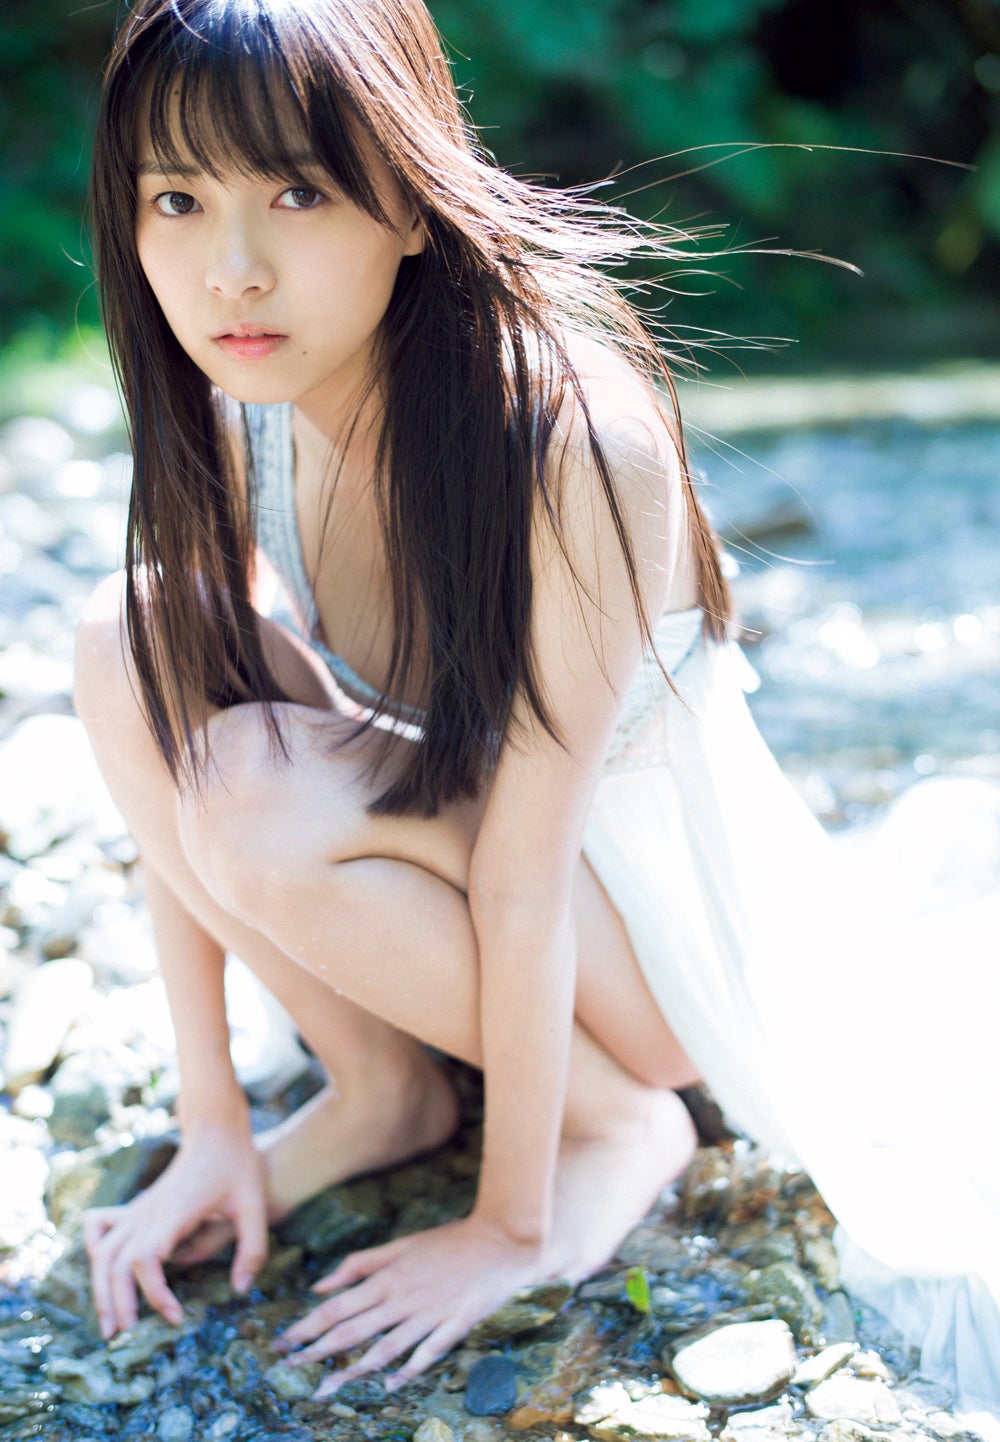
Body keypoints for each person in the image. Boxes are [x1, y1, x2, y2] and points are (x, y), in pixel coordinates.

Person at [73, 0, 1000, 1423]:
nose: (231, 267)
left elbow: (522, 860)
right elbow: (179, 734)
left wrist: (511, 1223)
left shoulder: (572, 436)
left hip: (653, 964)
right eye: (178, 200)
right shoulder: (251, 378)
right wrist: (214, 1127)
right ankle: (382, 1090)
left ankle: (612, 1123)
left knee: (258, 791)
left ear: (408, 199)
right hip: (493, 889)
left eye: (299, 194)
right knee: (126, 632)